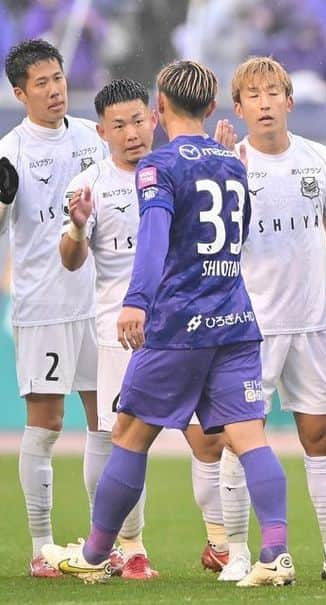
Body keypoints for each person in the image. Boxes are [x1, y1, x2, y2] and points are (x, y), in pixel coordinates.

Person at [41, 60, 294, 588]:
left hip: (179, 322)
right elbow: (239, 233)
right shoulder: (232, 162)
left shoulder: (160, 167)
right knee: (249, 436)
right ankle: (275, 553)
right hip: (236, 318)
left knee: (130, 435)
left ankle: (94, 554)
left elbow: (153, 238)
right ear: (211, 107)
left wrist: (137, 301)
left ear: (159, 109)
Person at [58, 78, 236, 580]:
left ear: (155, 118)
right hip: (123, 328)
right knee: (124, 439)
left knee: (208, 440)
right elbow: (71, 261)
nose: (132, 132)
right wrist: (75, 227)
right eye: (119, 125)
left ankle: (220, 541)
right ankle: (130, 548)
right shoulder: (90, 184)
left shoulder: (179, 170)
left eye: (139, 120)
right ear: (102, 131)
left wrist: (218, 165)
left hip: (187, 320)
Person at [213, 56, 326, 584]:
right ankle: (237, 552)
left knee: (322, 435)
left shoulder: (320, 160)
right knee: (242, 441)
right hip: (248, 327)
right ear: (238, 109)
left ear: (289, 100)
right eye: (252, 96)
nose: (263, 103)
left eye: (272, 93)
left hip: (309, 323)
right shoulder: (229, 163)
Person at [0, 38, 108, 578]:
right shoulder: (10, 153)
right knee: (45, 424)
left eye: (58, 78)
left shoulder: (95, 137)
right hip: (43, 305)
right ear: (20, 93)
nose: (54, 90)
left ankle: (102, 544)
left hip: (100, 304)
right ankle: (42, 547)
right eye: (40, 83)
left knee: (106, 421)